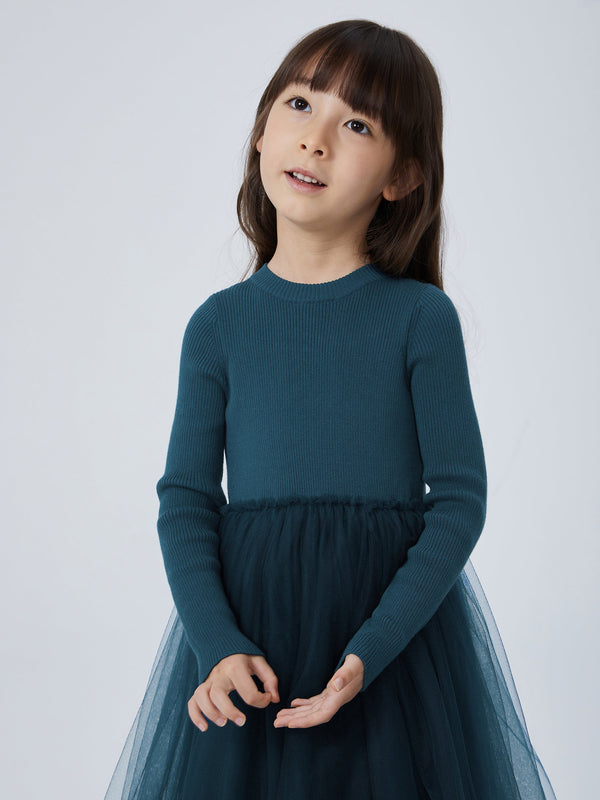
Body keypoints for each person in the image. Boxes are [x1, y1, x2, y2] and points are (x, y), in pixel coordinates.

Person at [104, 19, 558, 800]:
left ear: (402, 177)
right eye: (300, 104)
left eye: (357, 125)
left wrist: (369, 652)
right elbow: (186, 500)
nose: (315, 139)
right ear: (260, 132)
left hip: (391, 653)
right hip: (251, 651)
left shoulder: (420, 319)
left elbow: (458, 501)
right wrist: (217, 645)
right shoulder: (218, 325)